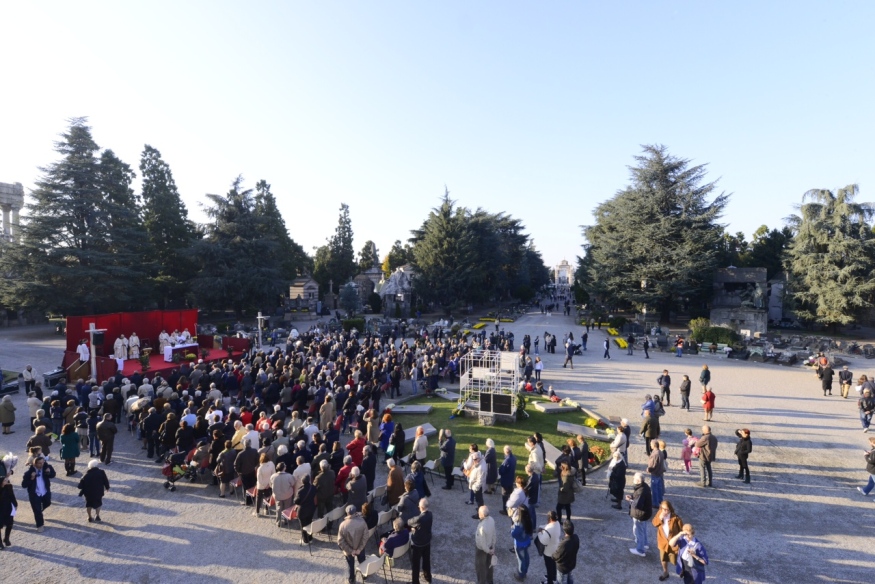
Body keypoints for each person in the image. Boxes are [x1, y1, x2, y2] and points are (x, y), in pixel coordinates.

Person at [21, 455, 56, 532]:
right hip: (35, 494)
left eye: (43, 462)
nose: (42, 464)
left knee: (48, 503)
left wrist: (48, 472)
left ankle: (40, 511)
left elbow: (53, 475)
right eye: (40, 463)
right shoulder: (28, 473)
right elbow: (24, 485)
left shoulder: (47, 468)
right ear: (35, 464)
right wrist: (31, 478)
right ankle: (40, 525)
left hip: (45, 492)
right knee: (37, 511)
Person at [652, 500, 684, 581]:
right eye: (664, 509)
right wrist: (660, 518)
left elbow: (682, 530)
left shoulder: (675, 518)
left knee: (675, 560)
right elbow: (654, 523)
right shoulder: (659, 514)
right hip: (663, 543)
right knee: (663, 559)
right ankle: (665, 572)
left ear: (670, 509)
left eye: (667, 509)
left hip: (673, 544)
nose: (665, 511)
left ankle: (681, 570)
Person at [337, 505, 369, 584]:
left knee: (350, 565)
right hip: (360, 549)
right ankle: (364, 575)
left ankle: (351, 580)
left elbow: (340, 541)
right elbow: (365, 536)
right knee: (362, 561)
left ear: (347, 513)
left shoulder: (343, 525)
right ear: (355, 512)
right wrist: (359, 549)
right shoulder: (362, 521)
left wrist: (351, 551)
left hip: (348, 551)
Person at [626, 472, 653, 557]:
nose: (633, 479)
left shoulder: (641, 491)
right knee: (643, 529)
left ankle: (640, 550)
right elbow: (638, 498)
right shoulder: (644, 486)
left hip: (640, 514)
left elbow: (637, 505)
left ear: (638, 481)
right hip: (645, 513)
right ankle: (645, 543)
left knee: (639, 532)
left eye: (634, 478)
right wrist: (632, 496)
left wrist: (630, 500)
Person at [408, 497, 433, 584]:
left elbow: (409, 522)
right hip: (427, 541)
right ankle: (428, 577)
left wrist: (413, 528)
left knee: (415, 564)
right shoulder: (430, 514)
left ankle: (415, 582)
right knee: (426, 560)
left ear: (421, 507)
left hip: (418, 544)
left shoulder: (419, 518)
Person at [77, 459, 110, 523]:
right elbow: (105, 480)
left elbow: (79, 486)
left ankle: (89, 517)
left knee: (89, 505)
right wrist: (107, 487)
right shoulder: (101, 472)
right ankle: (97, 516)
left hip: (88, 493)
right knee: (98, 504)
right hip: (98, 492)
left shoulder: (86, 475)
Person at [537, 510, 562, 584]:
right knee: (553, 564)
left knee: (549, 567)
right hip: (556, 547)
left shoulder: (549, 530)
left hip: (548, 551)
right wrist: (542, 527)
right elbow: (547, 527)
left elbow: (543, 541)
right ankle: (554, 577)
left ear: (550, 518)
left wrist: (539, 533)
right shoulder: (557, 523)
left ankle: (550, 581)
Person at [511, 504, 534, 581]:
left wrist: (512, 528)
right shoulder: (529, 520)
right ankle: (525, 571)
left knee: (521, 559)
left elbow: (513, 534)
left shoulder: (519, 524)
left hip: (519, 544)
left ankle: (521, 575)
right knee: (526, 556)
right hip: (527, 542)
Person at [553, 519, 579, 584]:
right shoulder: (576, 538)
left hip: (563, 568)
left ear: (564, 531)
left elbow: (557, 556)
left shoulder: (564, 544)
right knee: (570, 578)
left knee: (561, 581)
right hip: (571, 564)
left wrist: (552, 555)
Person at [474, 505, 496, 584]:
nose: (478, 514)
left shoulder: (482, 527)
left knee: (480, 567)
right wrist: (492, 547)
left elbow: (482, 543)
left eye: (479, 513)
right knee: (489, 564)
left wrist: (488, 551)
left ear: (482, 515)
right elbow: (494, 534)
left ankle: (481, 582)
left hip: (481, 549)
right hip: (490, 546)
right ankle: (490, 580)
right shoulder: (492, 520)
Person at [295, 474, 318, 543]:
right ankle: (310, 537)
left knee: (303, 525)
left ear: (302, 482)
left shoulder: (300, 490)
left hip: (302, 510)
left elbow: (296, 501)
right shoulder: (313, 487)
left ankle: (305, 540)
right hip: (311, 508)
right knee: (309, 522)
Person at [498, 445, 517, 513]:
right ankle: (510, 508)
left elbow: (502, 471)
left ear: (505, 452)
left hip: (505, 480)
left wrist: (499, 470)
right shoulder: (514, 458)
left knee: (505, 496)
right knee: (510, 495)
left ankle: (505, 510)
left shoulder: (507, 460)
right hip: (511, 479)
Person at [648, 439, 666, 507]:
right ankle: (660, 500)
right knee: (659, 487)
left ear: (653, 445)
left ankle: (655, 503)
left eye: (651, 445)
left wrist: (649, 469)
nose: (650, 446)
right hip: (659, 472)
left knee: (654, 488)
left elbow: (653, 465)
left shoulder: (655, 454)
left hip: (655, 473)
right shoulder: (660, 452)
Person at [0, 475, 16, 549]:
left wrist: (15, 504)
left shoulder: (9, 487)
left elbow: (12, 496)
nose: (7, 481)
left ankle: (6, 538)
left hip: (8, 508)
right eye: (5, 480)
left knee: (10, 524)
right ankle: (0, 543)